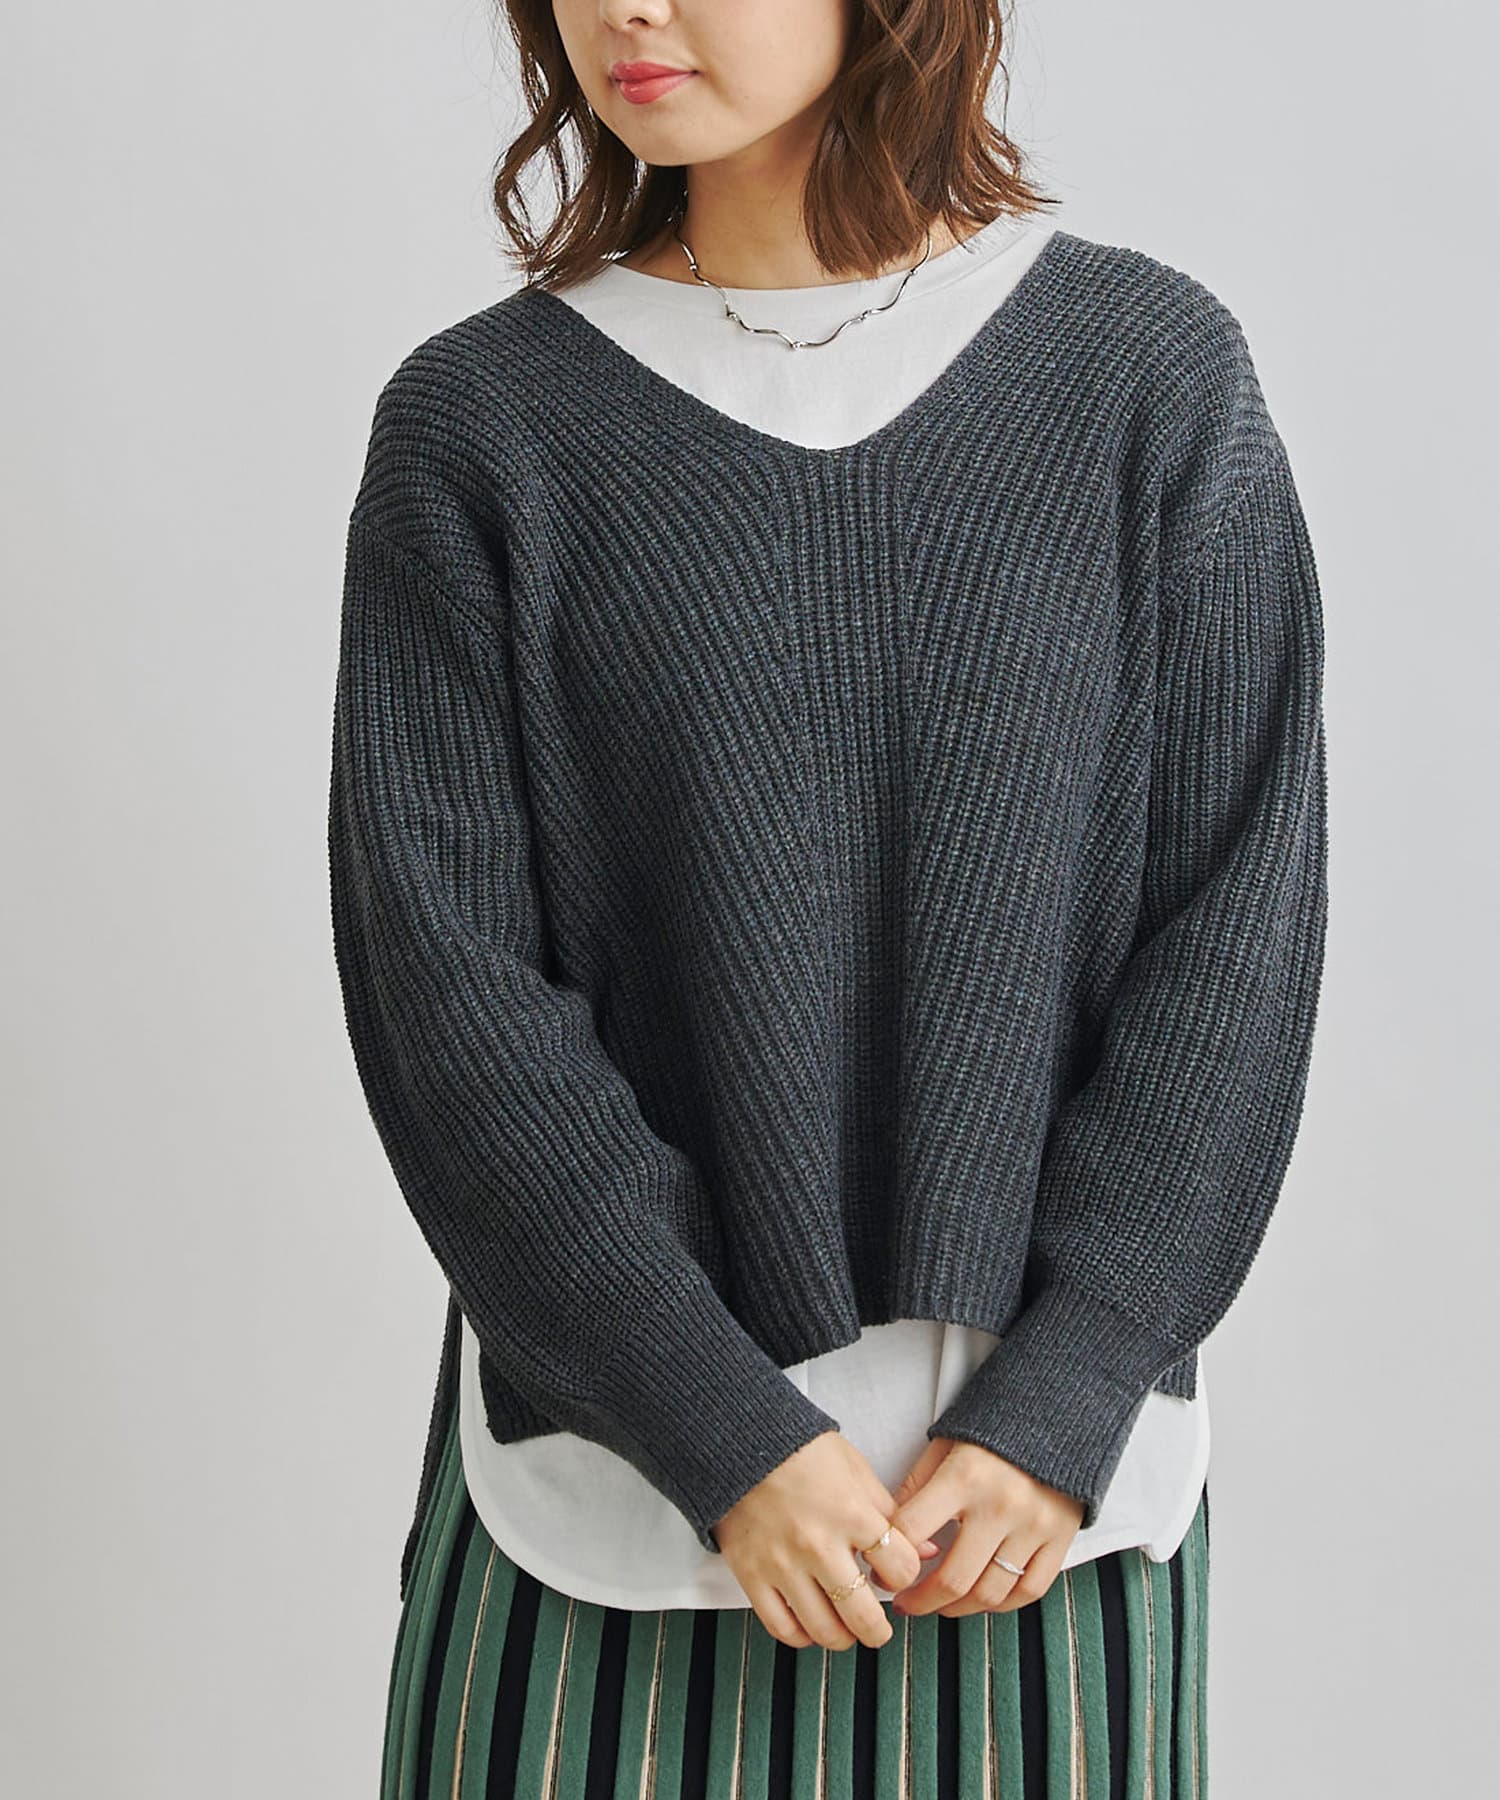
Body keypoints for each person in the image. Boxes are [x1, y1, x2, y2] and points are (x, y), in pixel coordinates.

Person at [327, 2, 1329, 1793]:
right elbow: (448, 993)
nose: (624, 7)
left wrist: (1068, 1390)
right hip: (606, 1499)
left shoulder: (1146, 379)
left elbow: (1236, 938)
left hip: (1035, 1516)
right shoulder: (483, 426)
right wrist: (719, 1434)